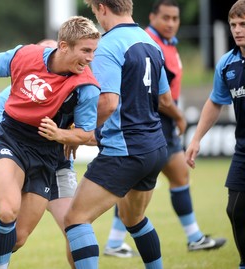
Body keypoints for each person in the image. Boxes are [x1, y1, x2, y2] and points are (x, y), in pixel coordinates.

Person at [0, 16, 101, 269]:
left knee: (16, 239)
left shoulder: (86, 87)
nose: (91, 58)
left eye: (93, 51)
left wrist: (61, 135)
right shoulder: (26, 56)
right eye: (85, 50)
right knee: (6, 211)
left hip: (47, 157)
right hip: (11, 140)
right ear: (63, 46)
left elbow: (86, 133)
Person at [63, 1, 187, 268]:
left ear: (101, 7)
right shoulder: (150, 42)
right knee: (134, 219)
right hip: (155, 147)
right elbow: (165, 98)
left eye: (95, 12)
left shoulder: (108, 45)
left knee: (75, 220)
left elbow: (108, 103)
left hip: (125, 150)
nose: (97, 18)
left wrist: (79, 130)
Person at [103, 0, 226, 258]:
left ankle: (119, 242)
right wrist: (180, 117)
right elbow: (162, 97)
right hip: (154, 122)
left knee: (169, 178)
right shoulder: (149, 42)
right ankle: (191, 238)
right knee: (158, 180)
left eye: (175, 19)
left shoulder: (168, 44)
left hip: (154, 124)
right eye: (166, 18)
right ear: (152, 17)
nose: (171, 23)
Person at [0, 39, 76, 268]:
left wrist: (67, 135)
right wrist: (30, 136)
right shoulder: (13, 91)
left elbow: (90, 132)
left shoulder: (76, 91)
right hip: (17, 159)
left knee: (76, 230)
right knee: (12, 235)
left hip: (58, 167)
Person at [186, 1, 245, 268]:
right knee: (235, 209)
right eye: (233, 24)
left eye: (243, 24)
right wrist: (197, 138)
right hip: (242, 147)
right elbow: (215, 102)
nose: (237, 30)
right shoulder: (227, 63)